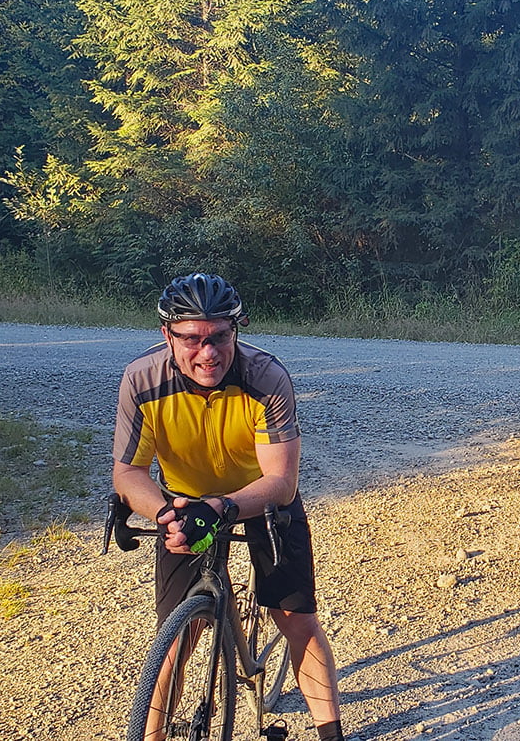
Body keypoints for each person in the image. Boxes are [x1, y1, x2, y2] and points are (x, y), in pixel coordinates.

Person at [114, 273, 346, 741]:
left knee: (296, 619)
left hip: (259, 499)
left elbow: (281, 481)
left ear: (236, 330)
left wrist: (223, 507)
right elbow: (129, 473)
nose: (208, 353)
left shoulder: (266, 378)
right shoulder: (142, 379)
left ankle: (331, 734)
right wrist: (163, 514)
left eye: (220, 336)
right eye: (192, 339)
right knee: (175, 641)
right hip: (185, 503)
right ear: (167, 336)